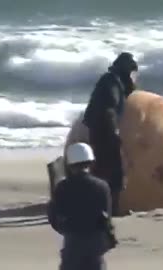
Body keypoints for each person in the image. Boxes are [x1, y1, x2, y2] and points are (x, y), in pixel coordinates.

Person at [82, 52, 139, 216]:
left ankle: (104, 208)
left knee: (103, 170)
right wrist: (113, 132)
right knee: (114, 171)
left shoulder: (112, 79)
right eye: (132, 73)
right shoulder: (112, 82)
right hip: (104, 130)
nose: (133, 78)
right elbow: (109, 109)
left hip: (99, 129)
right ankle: (111, 209)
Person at [47, 142, 118, 270]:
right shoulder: (102, 186)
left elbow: (54, 218)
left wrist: (65, 228)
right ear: (90, 162)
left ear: (70, 164)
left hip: (72, 245)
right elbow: (106, 218)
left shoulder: (62, 187)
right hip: (95, 246)